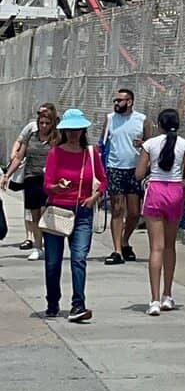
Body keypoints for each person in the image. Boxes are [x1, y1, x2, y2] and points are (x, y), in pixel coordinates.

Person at [42, 107, 107, 322]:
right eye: (69, 130)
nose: (73, 133)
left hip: (82, 212)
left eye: (77, 129)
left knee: (79, 258)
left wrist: (94, 197)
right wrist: (58, 187)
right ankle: (53, 301)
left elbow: (103, 180)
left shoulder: (91, 153)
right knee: (53, 261)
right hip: (58, 211)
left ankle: (78, 304)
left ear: (83, 130)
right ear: (63, 131)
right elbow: (47, 185)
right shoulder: (55, 153)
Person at [135, 108, 185, 316]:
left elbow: (139, 173)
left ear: (159, 124)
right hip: (175, 191)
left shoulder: (149, 144)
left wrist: (148, 164)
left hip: (156, 191)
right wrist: (184, 192)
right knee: (170, 246)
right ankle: (168, 294)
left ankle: (154, 299)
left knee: (156, 248)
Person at [1, 104, 59, 258]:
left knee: (46, 212)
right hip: (31, 177)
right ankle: (38, 247)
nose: (44, 126)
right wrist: (7, 175)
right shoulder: (31, 136)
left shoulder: (57, 138)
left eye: (47, 123)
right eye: (41, 123)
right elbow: (19, 157)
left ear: (52, 124)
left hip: (49, 180)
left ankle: (50, 245)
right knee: (34, 214)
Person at [102, 87, 149, 265]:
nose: (116, 103)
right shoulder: (110, 119)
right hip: (114, 167)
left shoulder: (142, 120)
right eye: (115, 100)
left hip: (135, 169)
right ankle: (117, 250)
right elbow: (103, 142)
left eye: (120, 100)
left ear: (129, 102)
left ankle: (124, 240)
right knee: (117, 210)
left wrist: (142, 144)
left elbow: (150, 145)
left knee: (134, 212)